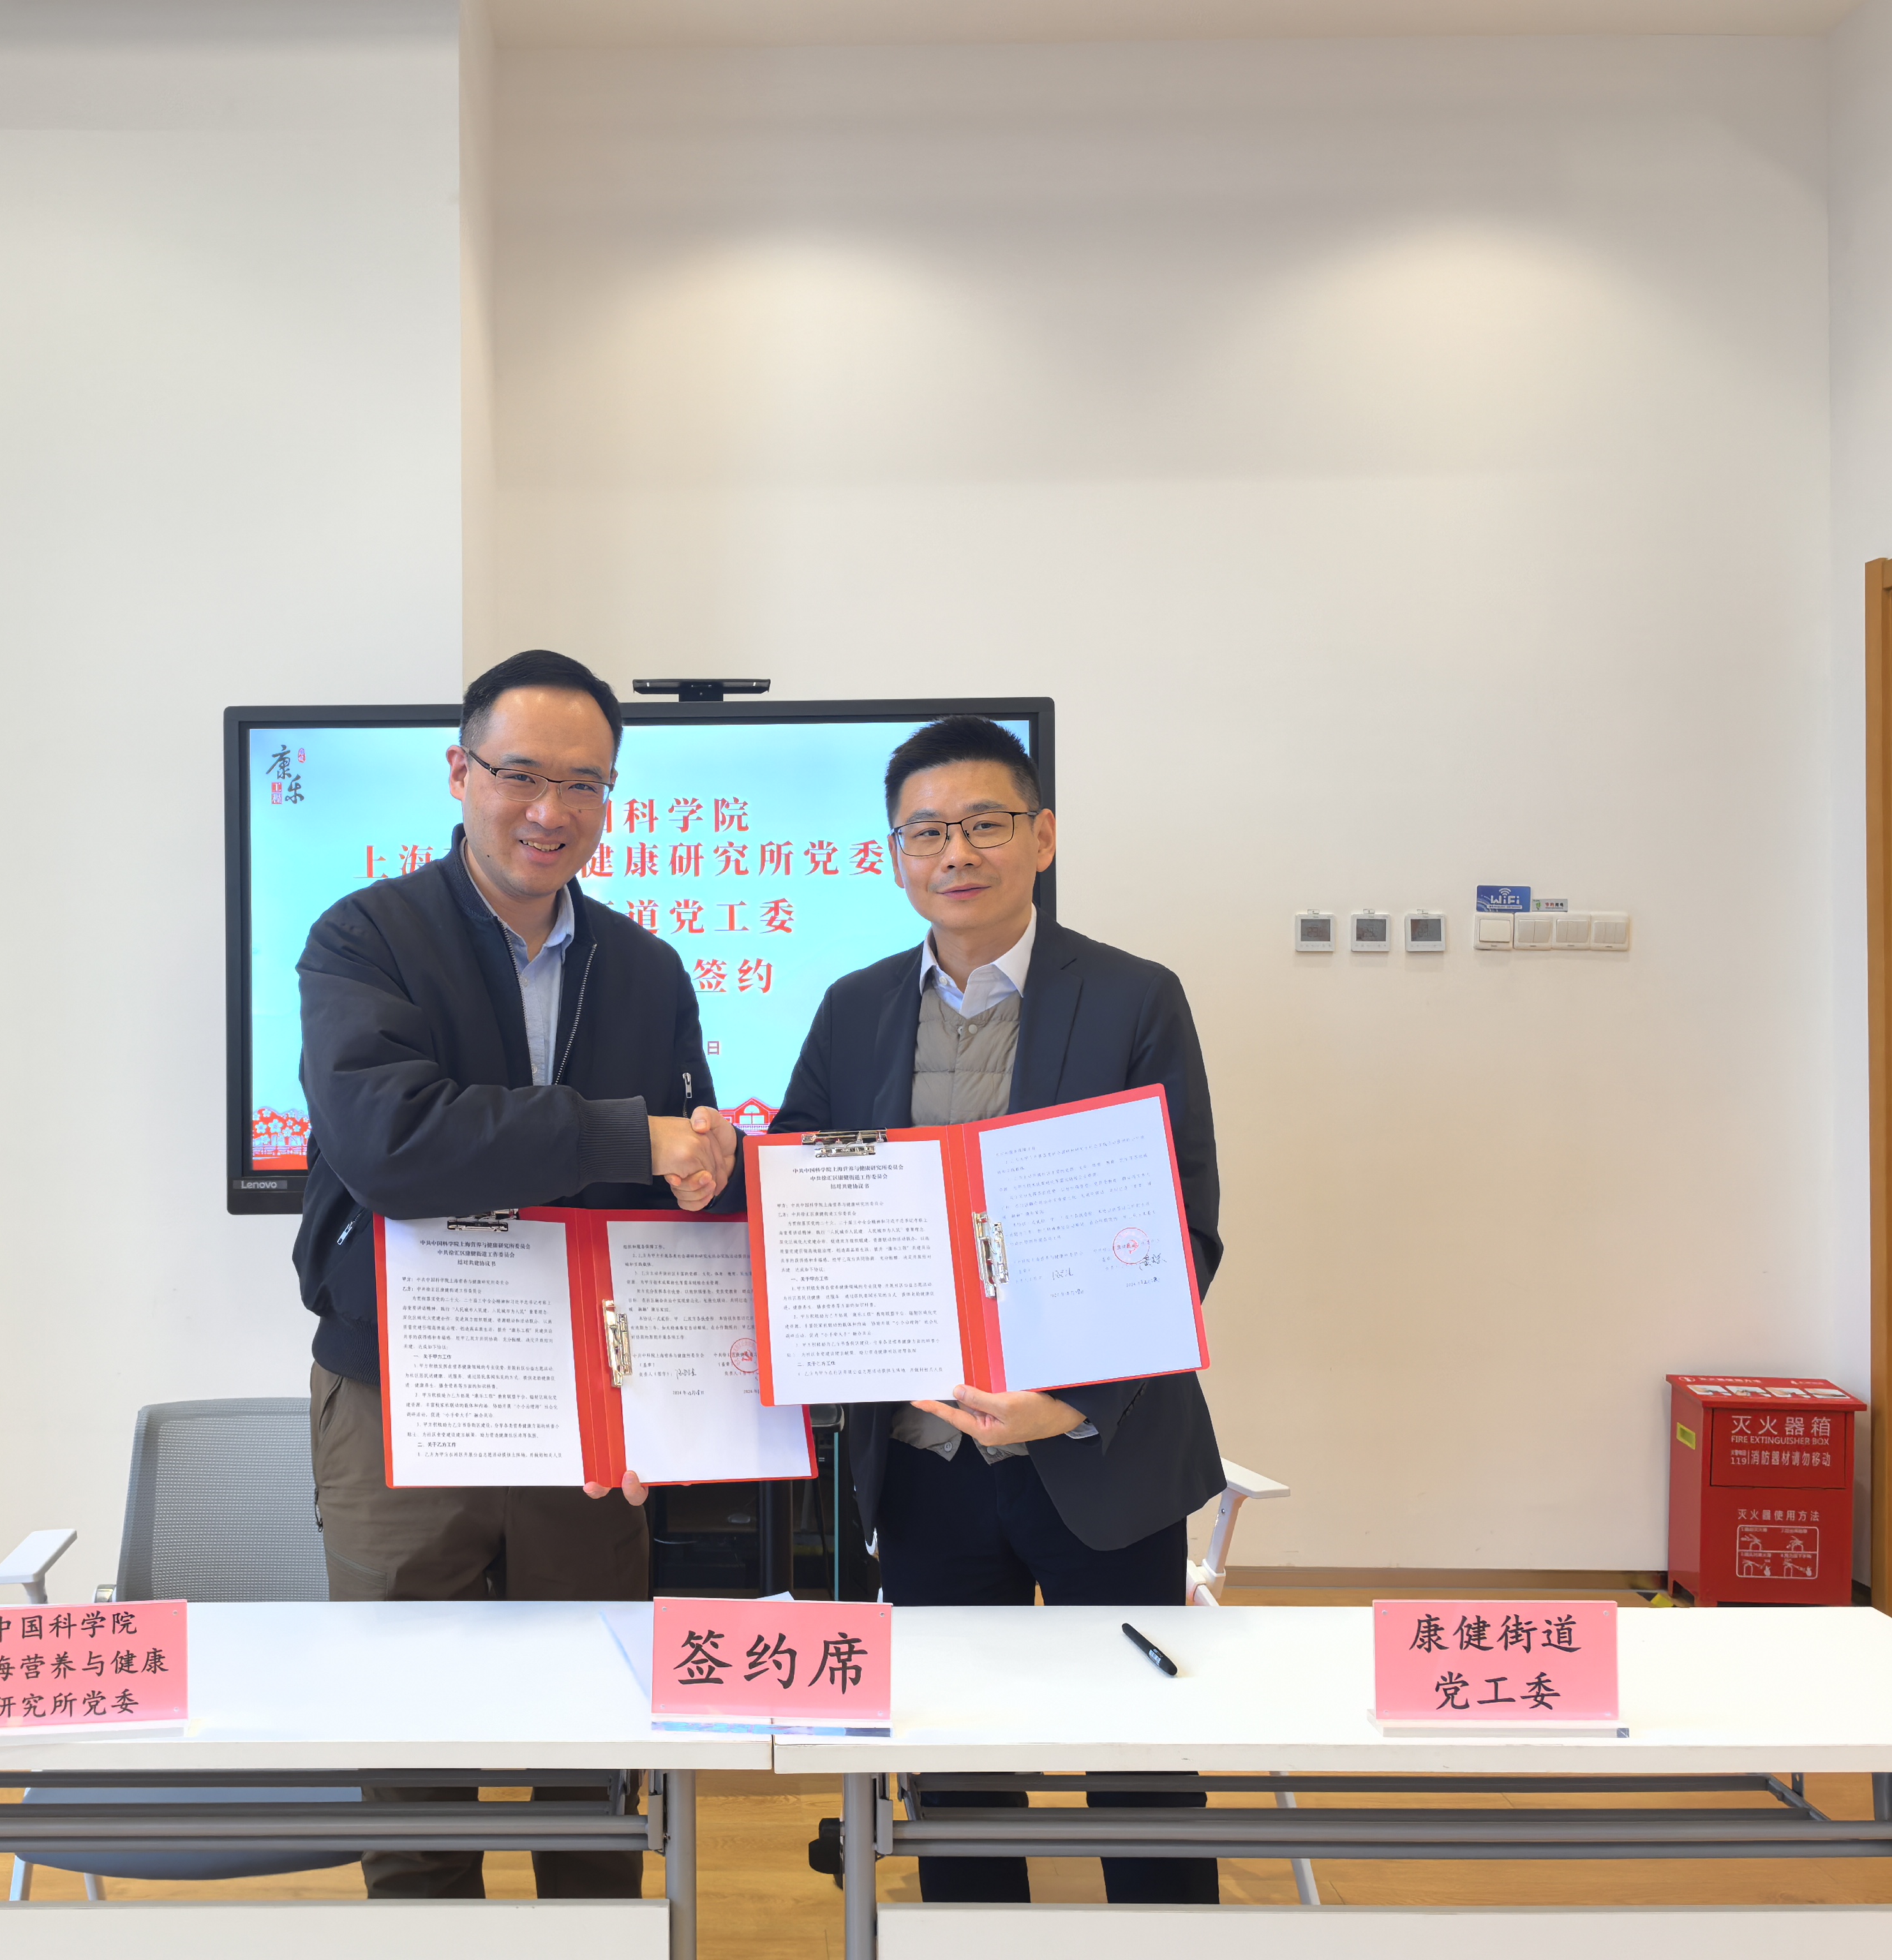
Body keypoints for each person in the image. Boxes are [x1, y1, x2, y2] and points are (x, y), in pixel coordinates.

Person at [292, 648, 739, 1900]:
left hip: (588, 1410)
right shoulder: (365, 936)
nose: (551, 811)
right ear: (460, 771)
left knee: (589, 1732)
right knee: (410, 1738)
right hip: (401, 1390)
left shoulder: (646, 968)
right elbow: (391, 1146)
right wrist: (627, 1136)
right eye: (521, 775)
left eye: (584, 785)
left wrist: (710, 1172)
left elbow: (671, 1194)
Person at [770, 713, 1225, 1906]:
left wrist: (1067, 1400)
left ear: (1043, 837)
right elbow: (804, 1203)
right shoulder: (855, 1007)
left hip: (1099, 1451)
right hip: (925, 1456)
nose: (957, 852)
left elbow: (1184, 1232)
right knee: (956, 1766)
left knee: (1140, 1757)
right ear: (895, 855)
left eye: (986, 823)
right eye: (927, 831)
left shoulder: (1132, 998)